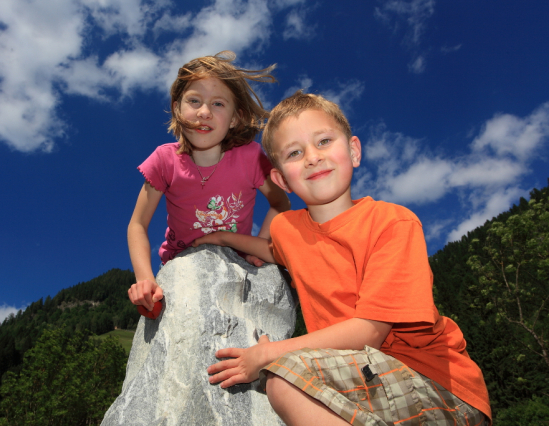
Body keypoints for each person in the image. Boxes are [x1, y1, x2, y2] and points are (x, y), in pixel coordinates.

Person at [193, 92, 491, 425]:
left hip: (433, 382)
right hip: (361, 380)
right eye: (294, 152)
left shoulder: (391, 222)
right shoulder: (287, 229)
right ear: (280, 180)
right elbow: (271, 251)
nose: (312, 158)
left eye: (323, 141)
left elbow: (370, 331)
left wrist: (268, 354)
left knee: (285, 380)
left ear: (353, 151)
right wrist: (220, 237)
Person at [127, 51, 290, 317]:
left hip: (236, 258)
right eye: (194, 101)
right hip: (180, 263)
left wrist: (258, 247)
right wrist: (145, 278)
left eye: (218, 104)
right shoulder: (164, 161)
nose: (204, 112)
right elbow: (137, 224)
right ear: (177, 107)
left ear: (235, 118)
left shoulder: (250, 158)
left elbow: (281, 203)